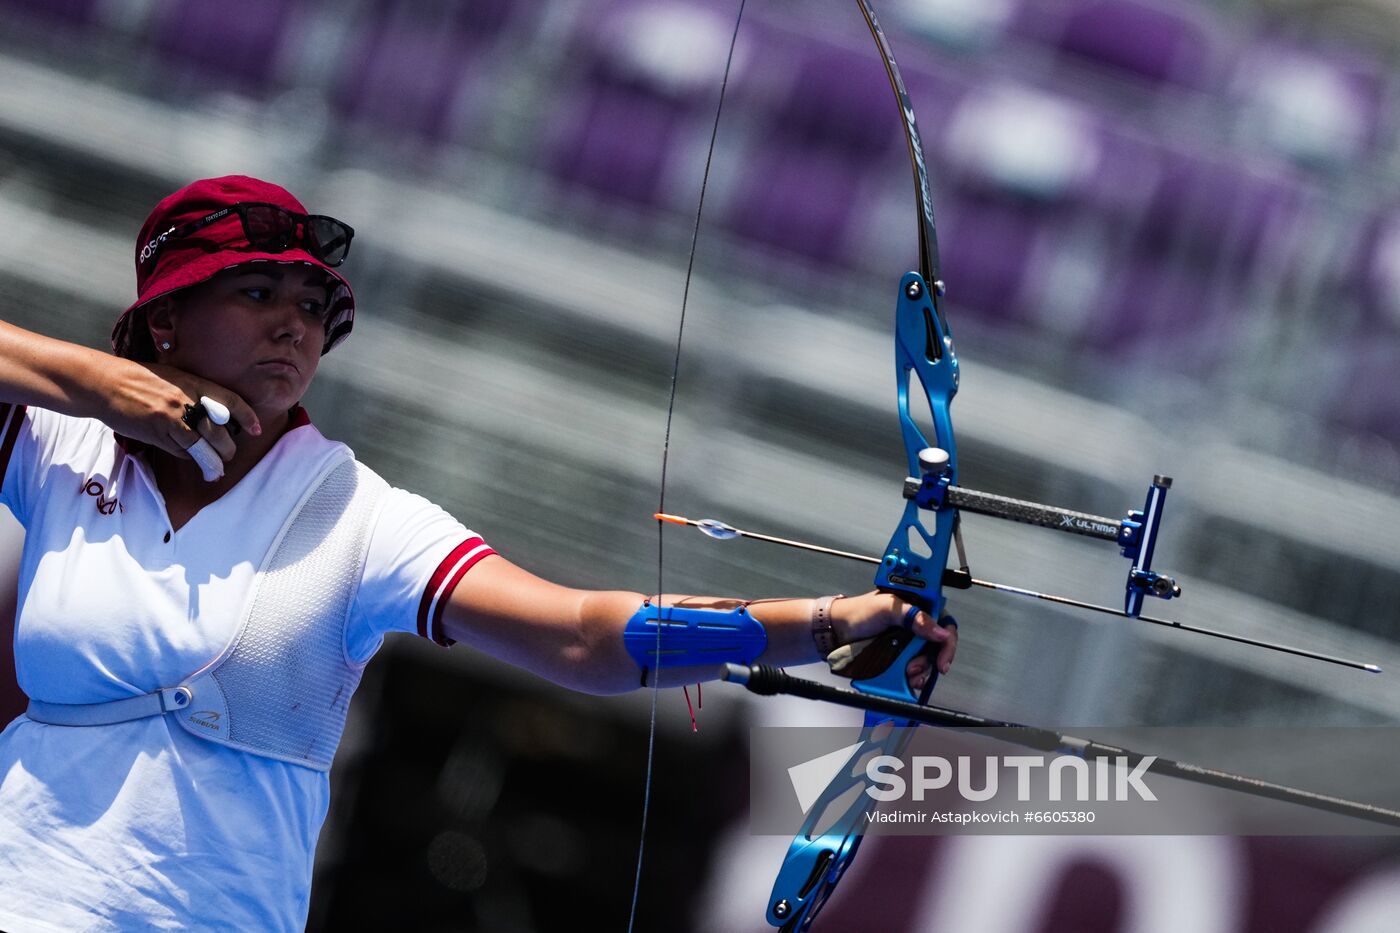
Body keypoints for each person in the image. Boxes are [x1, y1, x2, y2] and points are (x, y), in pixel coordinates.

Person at [0, 175, 956, 931]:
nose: (294, 324)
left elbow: (582, 635)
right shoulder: (61, 447)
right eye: (257, 293)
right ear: (166, 316)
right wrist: (100, 387)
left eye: (312, 304)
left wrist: (820, 625)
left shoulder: (358, 518)